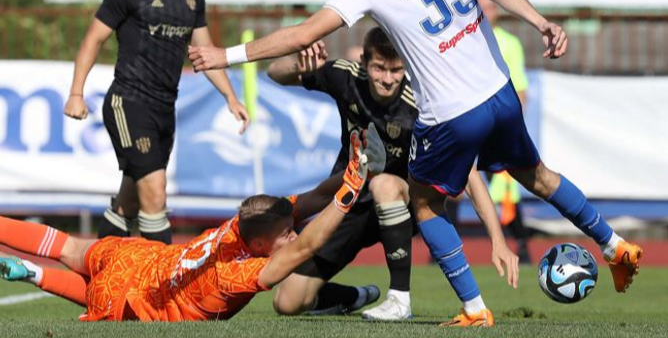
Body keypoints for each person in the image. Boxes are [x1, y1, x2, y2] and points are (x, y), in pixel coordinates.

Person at [189, 0, 643, 327]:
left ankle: (473, 308)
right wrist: (541, 22)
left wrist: (223, 56)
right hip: (500, 92)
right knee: (538, 177)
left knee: (425, 205)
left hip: (450, 112)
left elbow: (304, 34)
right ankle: (615, 245)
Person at [0, 124, 384, 322]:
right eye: (286, 233)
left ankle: (33, 268)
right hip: (130, 301)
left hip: (133, 259)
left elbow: (313, 200)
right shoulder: (235, 276)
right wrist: (350, 188)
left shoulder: (242, 223)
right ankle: (35, 274)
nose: (293, 232)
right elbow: (308, 247)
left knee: (67, 247)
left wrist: (357, 170)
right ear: (261, 246)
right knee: (102, 295)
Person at [266, 28, 518, 321]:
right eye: (379, 68)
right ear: (363, 62)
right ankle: (354, 296)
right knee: (286, 301)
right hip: (350, 204)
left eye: (396, 69)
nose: (387, 78)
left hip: (404, 204)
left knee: (383, 183)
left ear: (406, 67)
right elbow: (274, 73)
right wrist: (299, 65)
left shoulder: (424, 105)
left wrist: (497, 239)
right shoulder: (345, 78)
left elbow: (471, 177)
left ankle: (399, 299)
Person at [62, 0, 249, 244]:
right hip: (128, 103)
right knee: (156, 194)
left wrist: (230, 97)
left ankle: (96, 271)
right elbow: (93, 39)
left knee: (130, 201)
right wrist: (76, 92)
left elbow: (205, 52)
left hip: (165, 109)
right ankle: (161, 289)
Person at [477, 0, 532, 264]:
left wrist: (512, 125)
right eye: (481, 6)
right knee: (454, 179)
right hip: (469, 121)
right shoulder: (466, 39)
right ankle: (438, 253)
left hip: (498, 124)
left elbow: (520, 87)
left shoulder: (510, 44)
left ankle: (521, 244)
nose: (486, 11)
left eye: (490, 6)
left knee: (507, 185)